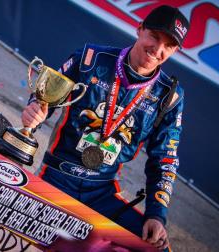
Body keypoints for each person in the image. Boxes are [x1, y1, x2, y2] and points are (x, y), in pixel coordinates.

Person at [21, 5, 189, 251]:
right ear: (140, 29)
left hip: (102, 193)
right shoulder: (90, 58)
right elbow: (45, 99)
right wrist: (35, 110)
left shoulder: (170, 96)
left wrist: (156, 214)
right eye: (154, 36)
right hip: (57, 178)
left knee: (156, 248)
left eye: (169, 46)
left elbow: (165, 160)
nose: (158, 49)